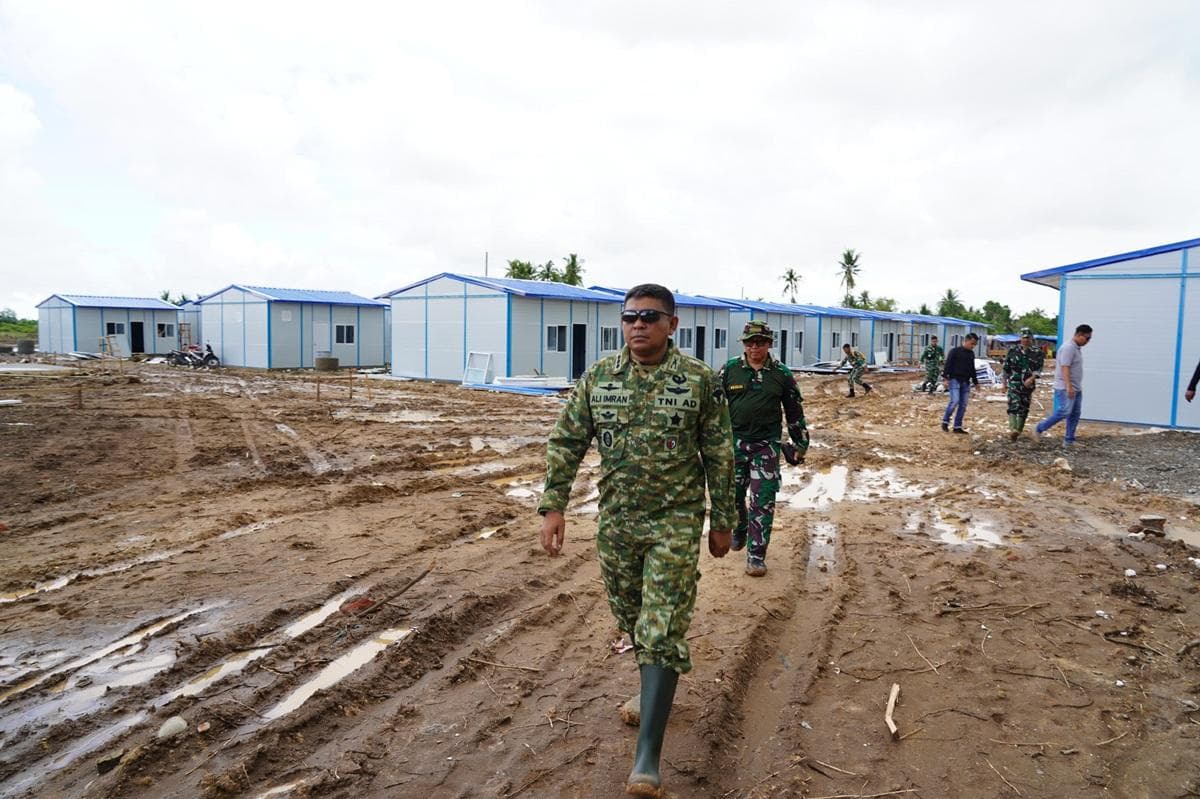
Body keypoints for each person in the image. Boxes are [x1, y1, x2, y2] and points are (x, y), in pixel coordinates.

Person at [539, 283, 736, 798]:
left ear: (673, 324)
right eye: (629, 317)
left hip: (674, 520)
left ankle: (646, 758)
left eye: (649, 316)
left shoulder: (698, 381)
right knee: (631, 616)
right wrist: (554, 506)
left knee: (660, 625)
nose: (638, 325)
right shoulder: (600, 377)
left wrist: (723, 519)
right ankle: (649, 691)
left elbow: (719, 452)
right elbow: (567, 439)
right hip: (618, 523)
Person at [718, 320, 809, 577]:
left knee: (763, 500)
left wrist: (800, 444)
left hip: (766, 446)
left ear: (769, 344)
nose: (754, 348)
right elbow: (713, 407)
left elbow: (794, 411)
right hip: (734, 444)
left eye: (759, 343)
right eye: (749, 343)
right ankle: (740, 527)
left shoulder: (781, 374)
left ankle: (756, 556)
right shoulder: (730, 370)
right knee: (732, 496)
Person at [1035, 324, 1093, 445]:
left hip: (1076, 387)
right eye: (1087, 338)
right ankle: (1039, 428)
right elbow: (1065, 368)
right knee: (1065, 411)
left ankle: (1069, 439)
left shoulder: (1076, 348)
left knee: (1075, 413)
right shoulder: (1068, 348)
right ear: (1079, 335)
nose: (1088, 341)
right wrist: (1068, 386)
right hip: (1065, 387)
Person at [1002, 328, 1045, 440]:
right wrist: (1004, 383)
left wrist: (1031, 378)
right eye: (1023, 338)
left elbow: (1039, 369)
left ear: (1031, 338)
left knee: (1024, 406)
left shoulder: (1037, 352)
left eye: (1027, 338)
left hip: (1028, 384)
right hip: (1014, 382)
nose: (1025, 340)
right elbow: (1006, 368)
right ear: (1020, 338)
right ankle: (1013, 429)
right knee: (1013, 404)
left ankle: (1019, 429)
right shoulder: (1013, 350)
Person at [940, 333, 979, 433]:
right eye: (972, 343)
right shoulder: (955, 351)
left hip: (966, 381)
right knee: (955, 401)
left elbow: (972, 369)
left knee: (963, 405)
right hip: (954, 380)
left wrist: (976, 382)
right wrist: (945, 378)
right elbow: (948, 364)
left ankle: (957, 426)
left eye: (974, 344)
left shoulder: (971, 354)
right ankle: (945, 421)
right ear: (966, 341)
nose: (973, 346)